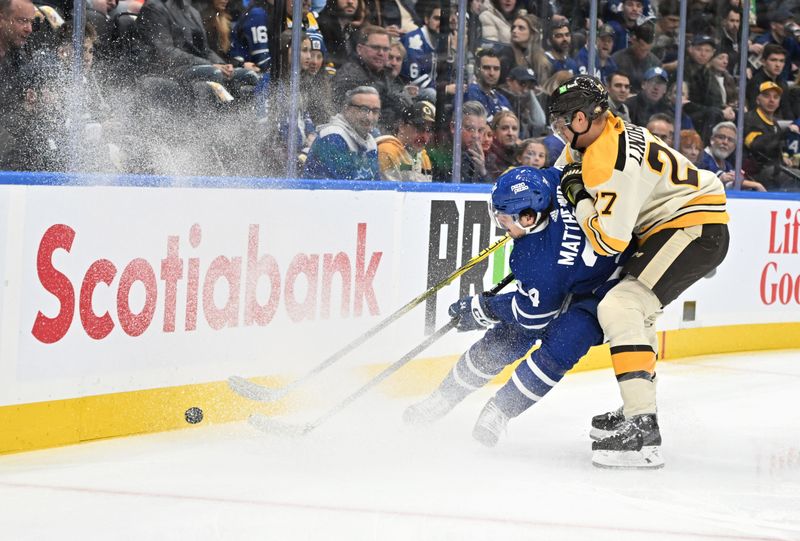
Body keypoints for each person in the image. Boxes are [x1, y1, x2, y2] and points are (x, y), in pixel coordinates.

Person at [549, 75, 730, 468]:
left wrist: (578, 197)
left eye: (563, 121)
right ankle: (638, 408)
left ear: (583, 118)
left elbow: (608, 241)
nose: (561, 130)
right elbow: (566, 166)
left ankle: (642, 425)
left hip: (692, 227)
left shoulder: (609, 164)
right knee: (637, 309)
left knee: (619, 306)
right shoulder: (609, 129)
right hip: (686, 223)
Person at [403, 166, 629, 448]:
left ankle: (500, 410)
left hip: (608, 287)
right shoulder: (549, 184)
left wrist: (483, 308)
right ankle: (442, 399)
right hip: (571, 274)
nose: (500, 224)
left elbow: (531, 317)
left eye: (504, 219)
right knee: (507, 338)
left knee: (563, 344)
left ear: (528, 217)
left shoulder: (535, 261)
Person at [302, 85, 381, 180]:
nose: (370, 117)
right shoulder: (333, 138)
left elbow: (375, 186)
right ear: (346, 109)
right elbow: (337, 188)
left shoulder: (371, 143)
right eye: (364, 109)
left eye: (375, 111)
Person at [743, 81, 800, 191]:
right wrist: (783, 133)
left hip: (774, 168)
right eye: (766, 96)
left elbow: (774, 148)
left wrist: (783, 158)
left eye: (776, 97)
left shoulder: (774, 123)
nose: (771, 100)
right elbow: (756, 146)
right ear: (757, 99)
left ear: (779, 102)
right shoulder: (750, 119)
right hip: (755, 172)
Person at [429, 100, 491, 183]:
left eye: (480, 130)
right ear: (453, 127)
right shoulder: (440, 155)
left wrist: (482, 172)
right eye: (470, 129)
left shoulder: (482, 158)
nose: (476, 135)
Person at [699, 121, 766, 191]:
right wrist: (756, 185)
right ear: (712, 140)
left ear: (734, 146)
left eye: (730, 140)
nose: (725, 142)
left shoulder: (727, 165)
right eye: (721, 137)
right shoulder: (700, 158)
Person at [376, 100, 435, 181]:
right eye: (419, 128)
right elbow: (390, 192)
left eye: (429, 130)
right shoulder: (387, 151)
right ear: (401, 126)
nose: (424, 137)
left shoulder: (424, 158)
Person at [464, 48, 511, 123]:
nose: (492, 73)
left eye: (496, 69)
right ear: (477, 69)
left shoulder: (501, 98)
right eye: (486, 68)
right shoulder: (471, 92)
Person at [485, 110, 520, 178]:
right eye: (504, 128)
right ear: (494, 132)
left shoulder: (521, 154)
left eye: (514, 129)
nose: (510, 133)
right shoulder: (489, 155)